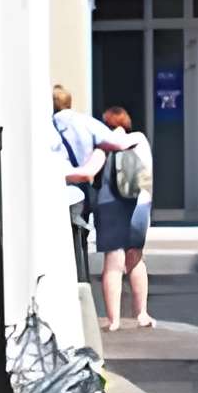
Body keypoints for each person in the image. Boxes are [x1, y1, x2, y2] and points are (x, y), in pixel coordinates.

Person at [89, 105, 155, 331]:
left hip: (112, 205)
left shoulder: (105, 146)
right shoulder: (141, 141)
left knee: (113, 264)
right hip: (141, 204)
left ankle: (114, 320)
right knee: (135, 258)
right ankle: (142, 314)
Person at [51, 85, 124, 283]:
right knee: (81, 233)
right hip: (85, 186)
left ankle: (72, 279)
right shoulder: (84, 121)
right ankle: (83, 279)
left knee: (63, 237)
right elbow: (115, 142)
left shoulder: (48, 124)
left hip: (62, 185)